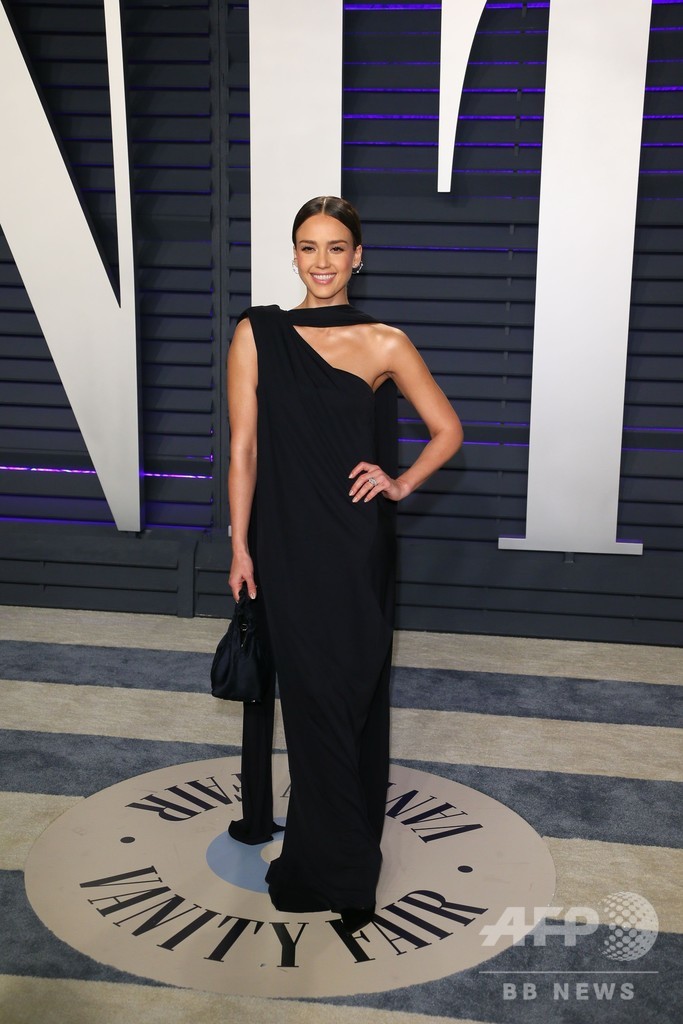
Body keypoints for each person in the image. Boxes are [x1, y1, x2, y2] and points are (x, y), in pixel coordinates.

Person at [226, 196, 463, 934]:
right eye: (308, 247)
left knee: (353, 695)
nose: (321, 262)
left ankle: (343, 859)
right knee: (311, 701)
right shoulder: (257, 332)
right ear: (293, 255)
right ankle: (339, 867)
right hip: (286, 544)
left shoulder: (385, 341)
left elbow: (447, 429)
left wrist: (400, 482)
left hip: (355, 545)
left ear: (358, 257)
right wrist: (240, 545)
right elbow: (243, 449)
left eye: (335, 248)